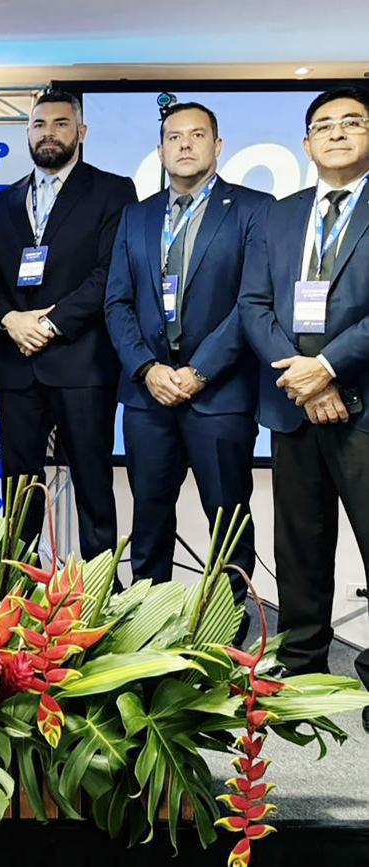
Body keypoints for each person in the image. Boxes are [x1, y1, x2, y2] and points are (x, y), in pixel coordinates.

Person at [104, 102, 270, 632]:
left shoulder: (253, 209)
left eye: (197, 135)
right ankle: (145, 625)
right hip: (147, 396)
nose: (184, 144)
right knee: (149, 515)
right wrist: (146, 368)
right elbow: (117, 303)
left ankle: (227, 625)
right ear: (160, 149)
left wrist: (199, 372)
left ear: (217, 146)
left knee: (227, 517)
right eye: (174, 137)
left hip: (220, 395)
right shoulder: (137, 215)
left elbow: (252, 303)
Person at [238, 87, 369, 731]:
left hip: (363, 408)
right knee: (299, 547)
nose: (337, 133)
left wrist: (329, 367)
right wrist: (303, 377)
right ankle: (302, 666)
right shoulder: (280, 214)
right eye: (324, 125)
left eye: (352, 122)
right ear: (307, 143)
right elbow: (253, 304)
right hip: (293, 405)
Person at [0, 90, 137, 560]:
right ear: (27, 132)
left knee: (92, 482)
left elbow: (109, 273)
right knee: (19, 488)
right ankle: (16, 583)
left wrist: (49, 325)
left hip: (81, 362)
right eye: (39, 124)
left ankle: (98, 588)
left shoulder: (113, 191)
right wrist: (10, 319)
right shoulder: (1, 203)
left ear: (81, 132)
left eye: (61, 124)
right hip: (17, 363)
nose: (48, 133)